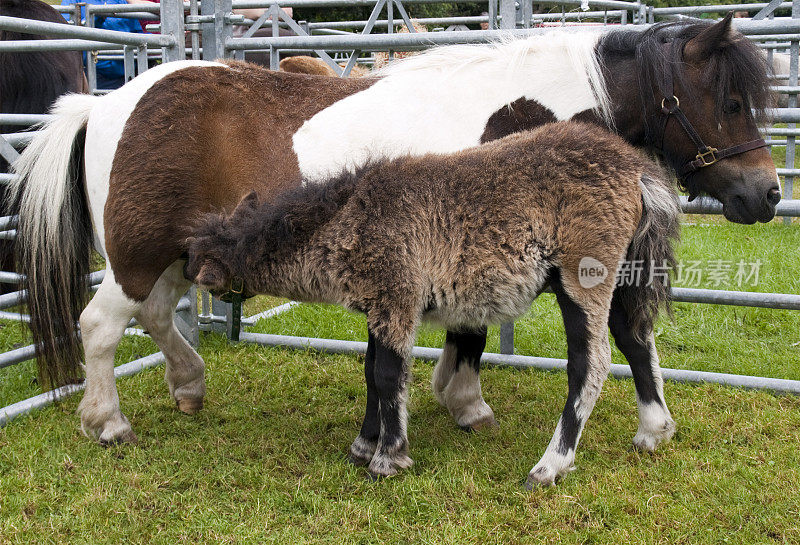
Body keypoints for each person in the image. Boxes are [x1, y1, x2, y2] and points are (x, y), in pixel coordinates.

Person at [60, 0, 153, 89]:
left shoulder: (120, 1)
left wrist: (156, 41)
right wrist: (98, 15)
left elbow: (136, 32)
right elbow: (67, 32)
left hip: (127, 72)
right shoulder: (72, 1)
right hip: (93, 72)